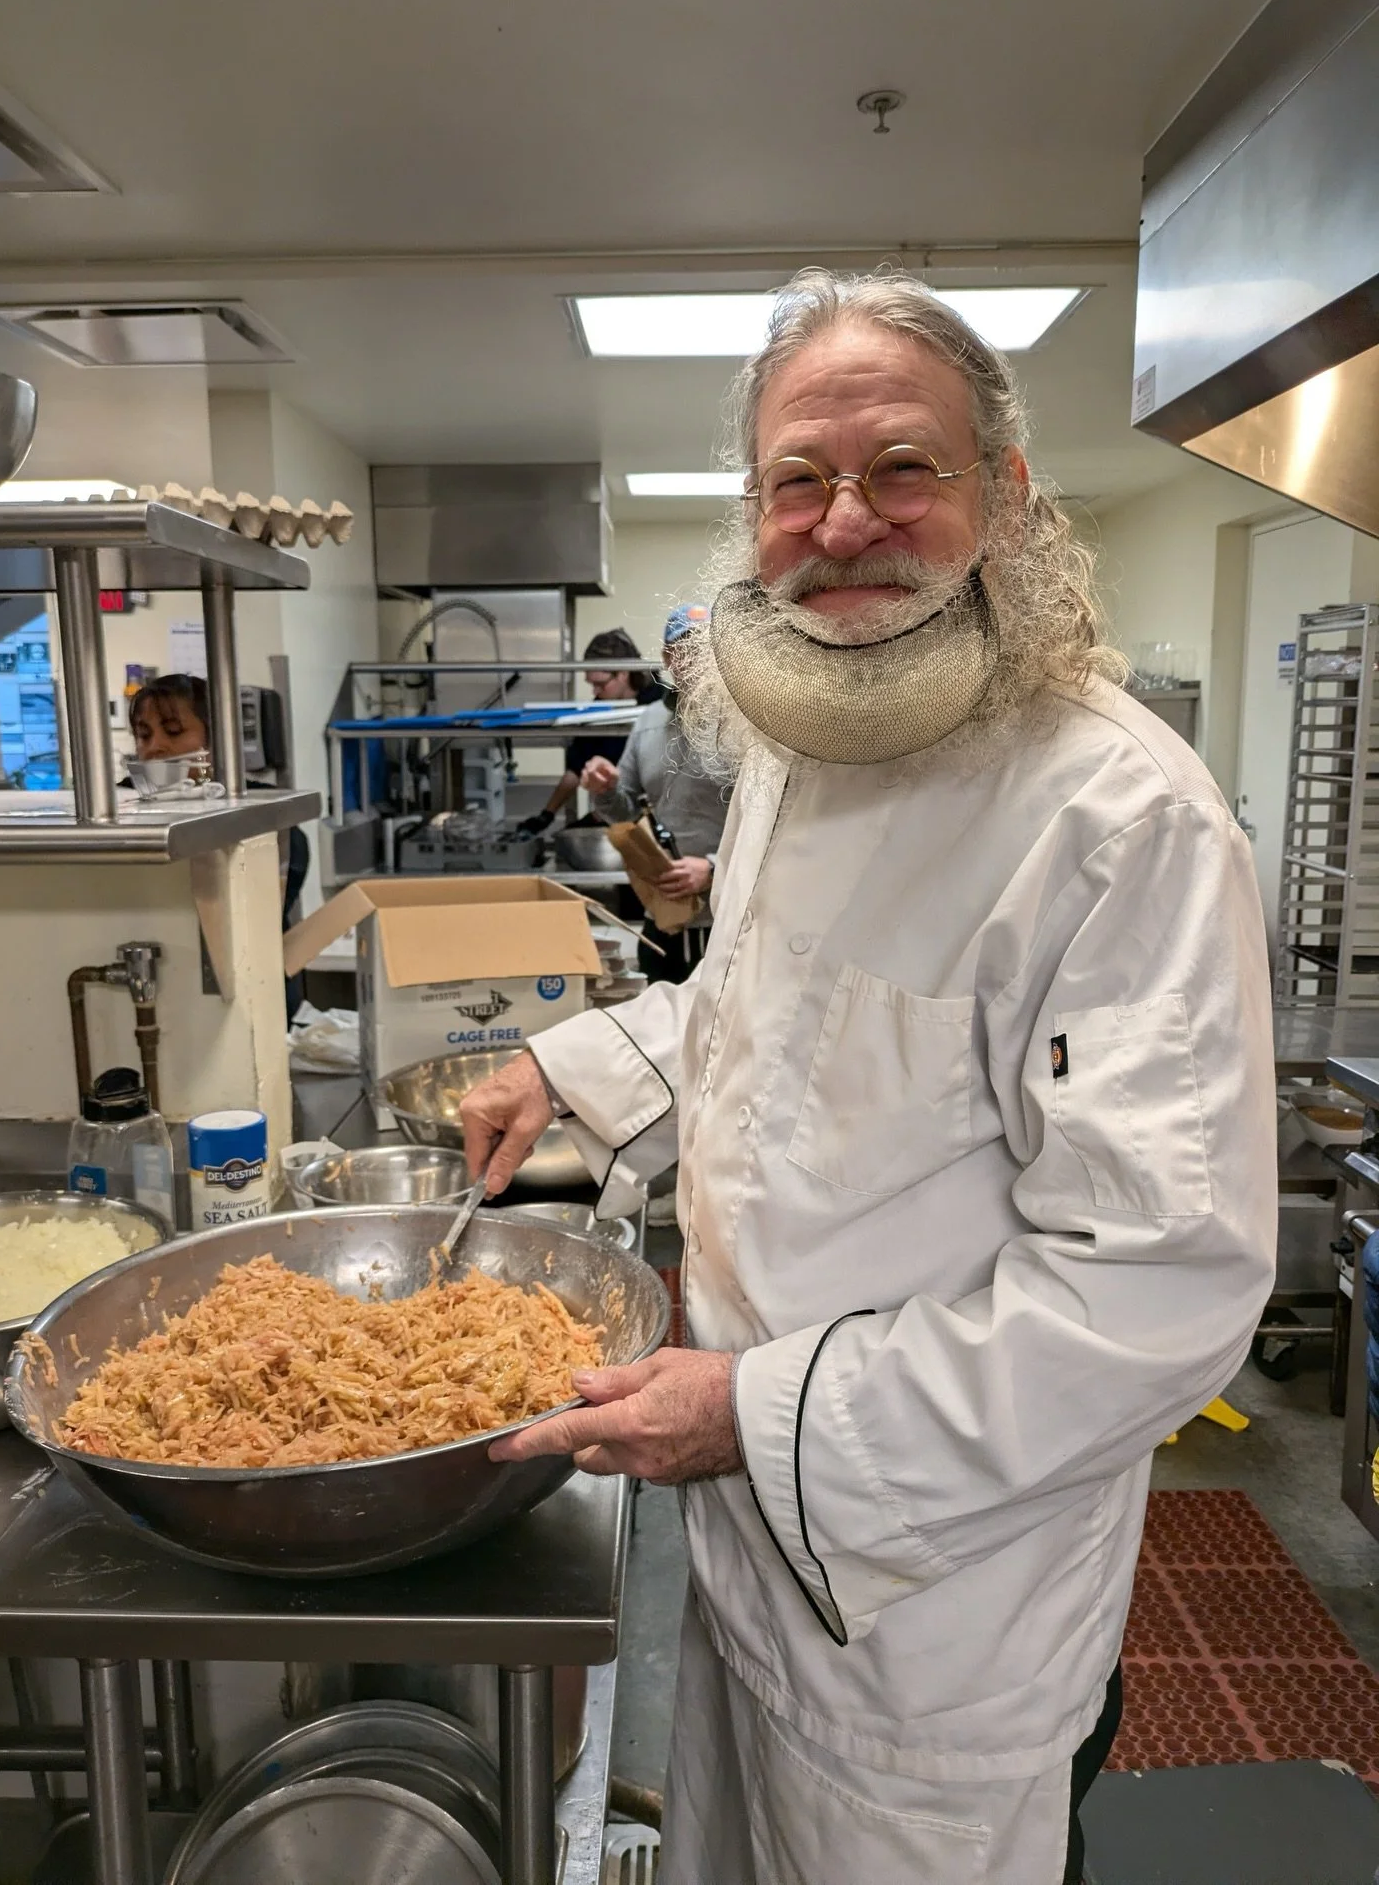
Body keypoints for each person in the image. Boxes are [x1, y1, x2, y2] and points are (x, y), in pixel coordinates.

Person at [459, 270, 1276, 1884]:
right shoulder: (807, 736)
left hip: (930, 1580)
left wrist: (750, 1410)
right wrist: (568, 1060)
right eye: (797, 480)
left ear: (1008, 496)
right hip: (754, 1525)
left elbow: (1156, 1290)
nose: (845, 524)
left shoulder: (1115, 817)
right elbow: (774, 1011)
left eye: (905, 467)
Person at [127, 674, 310, 1022]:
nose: (155, 748)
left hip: (251, 996)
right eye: (144, 734)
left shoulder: (267, 822)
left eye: (174, 731)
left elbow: (255, 922)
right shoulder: (127, 814)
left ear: (217, 739)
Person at [581, 604, 730, 984]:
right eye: (684, 648)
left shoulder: (744, 721)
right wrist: (606, 789)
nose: (695, 657)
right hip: (664, 917)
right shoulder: (648, 722)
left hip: (726, 920)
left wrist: (714, 868)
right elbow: (624, 813)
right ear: (667, 658)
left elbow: (773, 819)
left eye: (705, 646)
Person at [513, 628, 661, 838]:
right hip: (619, 813)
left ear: (623, 673)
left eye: (600, 684)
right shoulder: (599, 713)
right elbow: (575, 770)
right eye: (591, 685)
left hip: (659, 820)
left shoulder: (663, 705)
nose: (595, 692)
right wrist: (546, 815)